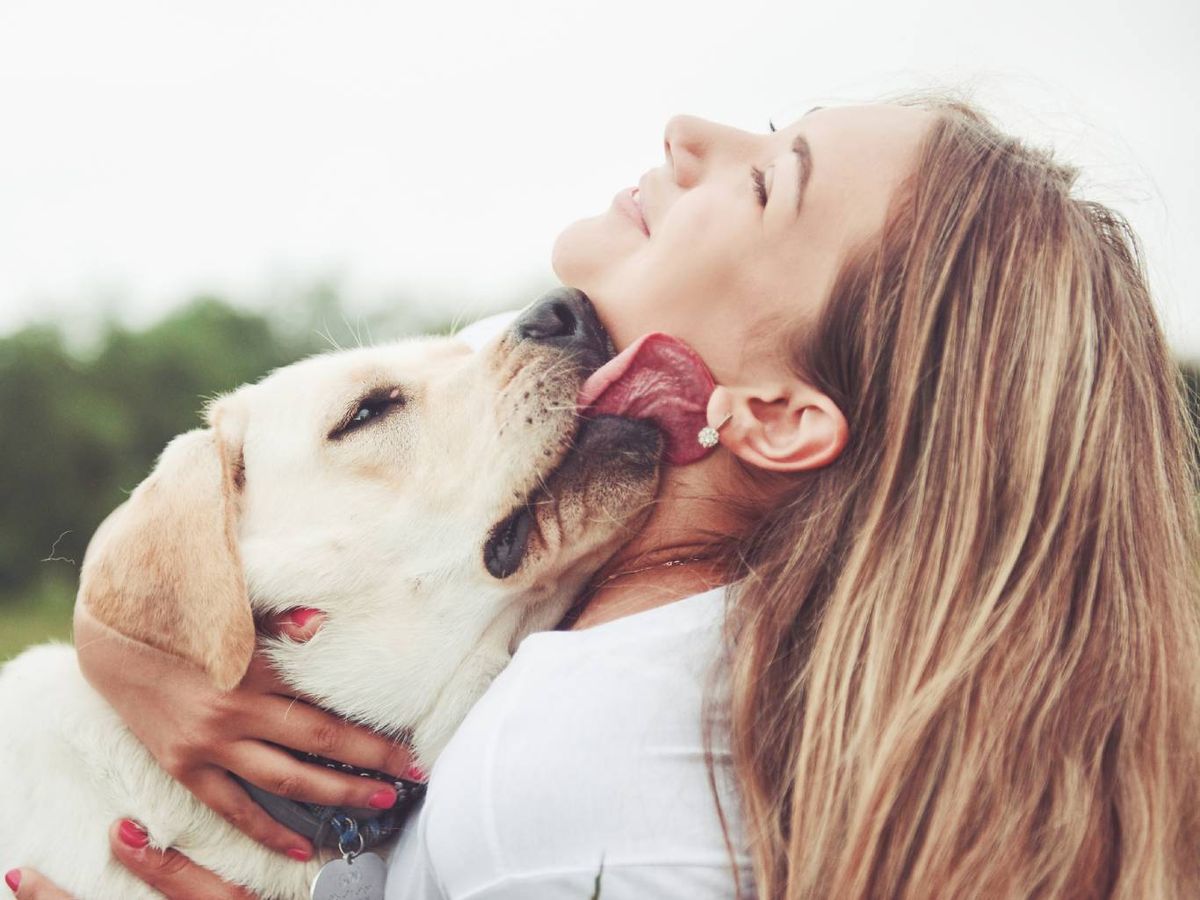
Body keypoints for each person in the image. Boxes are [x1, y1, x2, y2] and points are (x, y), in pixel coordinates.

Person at [9, 90, 1200, 899]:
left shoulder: (608, 759)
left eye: (767, 181)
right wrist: (137, 644)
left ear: (774, 412)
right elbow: (241, 502)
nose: (690, 131)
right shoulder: (567, 407)